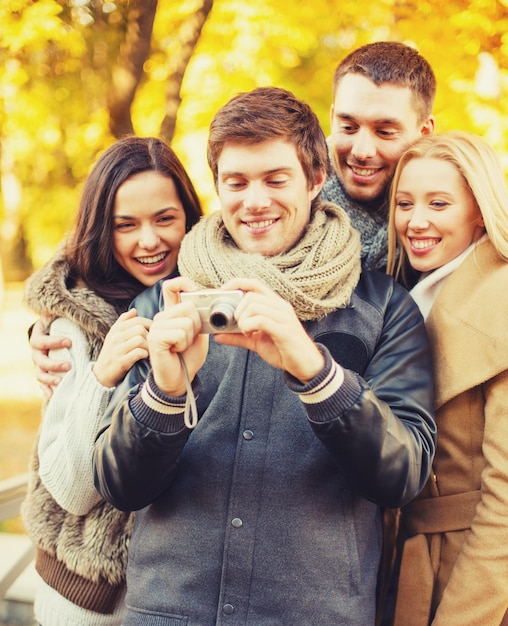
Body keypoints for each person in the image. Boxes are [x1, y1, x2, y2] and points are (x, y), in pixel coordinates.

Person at [93, 86, 436, 626]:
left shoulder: (385, 307)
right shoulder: (163, 303)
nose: (254, 201)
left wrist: (318, 373)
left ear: (316, 178)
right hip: (168, 613)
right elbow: (120, 487)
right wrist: (163, 396)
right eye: (237, 182)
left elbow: (404, 476)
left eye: (276, 180)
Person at [21, 136, 202, 626]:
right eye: (126, 225)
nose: (149, 241)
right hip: (93, 604)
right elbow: (72, 491)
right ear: (103, 229)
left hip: (185, 590)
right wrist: (101, 378)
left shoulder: (208, 300)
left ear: (190, 216)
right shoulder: (73, 327)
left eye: (165, 219)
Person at [386, 131, 508, 625]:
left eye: (439, 203)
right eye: (404, 203)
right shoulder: (414, 295)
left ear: (478, 209)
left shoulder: (499, 301)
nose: (416, 221)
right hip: (409, 562)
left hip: (472, 573)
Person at [322, 41, 436, 272]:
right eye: (348, 127)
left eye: (385, 132)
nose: (361, 151)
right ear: (333, 118)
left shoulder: (458, 219)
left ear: (424, 133)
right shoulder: (288, 206)